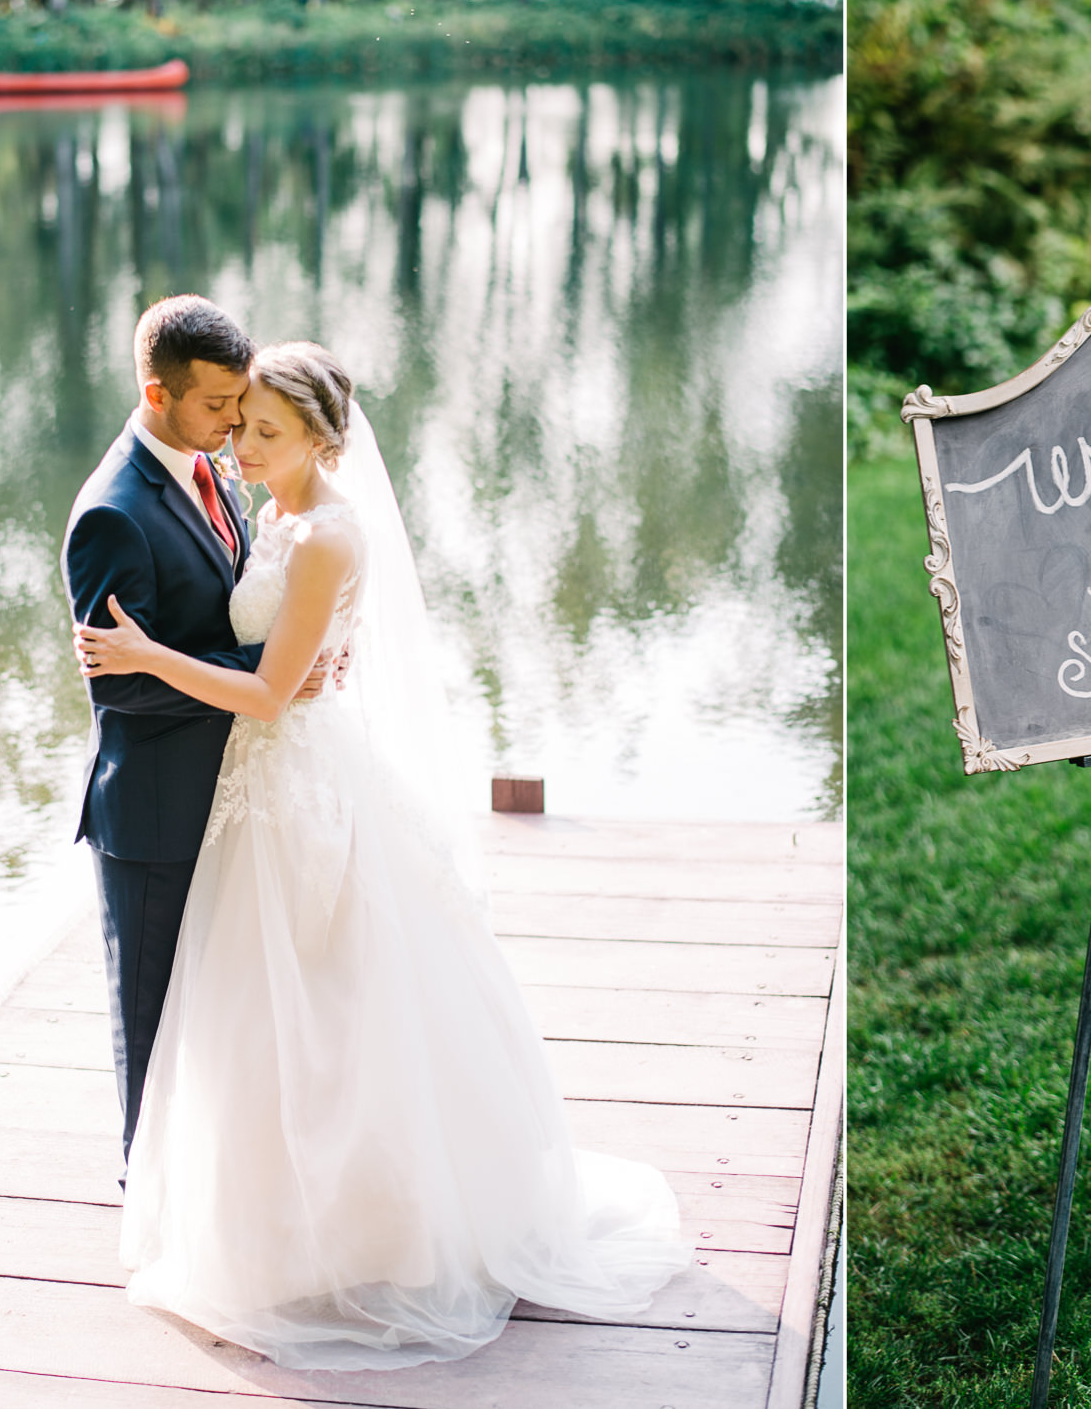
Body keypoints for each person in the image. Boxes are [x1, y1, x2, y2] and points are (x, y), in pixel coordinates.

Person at [73, 342, 689, 1368]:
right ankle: (270, 1217)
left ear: (323, 437)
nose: (241, 442)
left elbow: (273, 690)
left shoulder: (326, 539)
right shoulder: (270, 514)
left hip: (298, 774)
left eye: (266, 430)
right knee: (259, 1009)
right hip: (251, 785)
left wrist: (146, 654)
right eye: (239, 422)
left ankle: (380, 1222)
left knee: (335, 998)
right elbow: (272, 650)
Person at [63, 297, 338, 1178]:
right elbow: (128, 683)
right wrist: (271, 671)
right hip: (153, 807)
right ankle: (143, 1188)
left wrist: (284, 667)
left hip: (233, 792)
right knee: (147, 1018)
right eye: (219, 406)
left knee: (223, 1011)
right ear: (157, 390)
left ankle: (216, 1188)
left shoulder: (207, 466)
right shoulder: (114, 512)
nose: (234, 426)